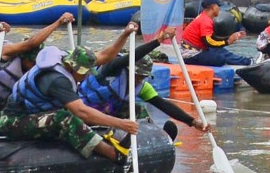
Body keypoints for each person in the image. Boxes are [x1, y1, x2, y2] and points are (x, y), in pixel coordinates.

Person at [0, 46, 136, 162]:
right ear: (73, 68)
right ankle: (112, 154)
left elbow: (104, 56)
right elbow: (81, 112)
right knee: (65, 119)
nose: (85, 77)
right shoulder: (57, 80)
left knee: (80, 112)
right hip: (15, 122)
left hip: (35, 113)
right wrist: (120, 123)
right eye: (84, 73)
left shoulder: (65, 58)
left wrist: (125, 34)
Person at [78, 28, 206, 141]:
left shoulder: (142, 87)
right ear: (128, 70)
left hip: (109, 116)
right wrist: (158, 41)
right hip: (86, 113)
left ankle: (154, 140)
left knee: (139, 110)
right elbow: (130, 58)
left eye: (143, 77)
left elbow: (163, 105)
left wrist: (192, 122)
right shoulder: (110, 71)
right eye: (137, 75)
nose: (139, 80)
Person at [0, 13, 75, 120]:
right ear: (23, 56)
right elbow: (31, 43)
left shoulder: (35, 72)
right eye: (31, 61)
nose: (34, 65)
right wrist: (59, 22)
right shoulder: (5, 53)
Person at [177, 0, 250, 66]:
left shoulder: (203, 16)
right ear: (213, 7)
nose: (219, 9)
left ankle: (247, 61)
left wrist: (229, 38)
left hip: (195, 49)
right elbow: (208, 41)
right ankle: (247, 61)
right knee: (220, 59)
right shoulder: (206, 21)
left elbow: (211, 38)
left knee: (221, 51)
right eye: (218, 6)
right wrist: (227, 42)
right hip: (190, 54)